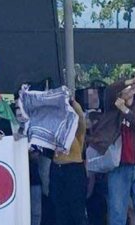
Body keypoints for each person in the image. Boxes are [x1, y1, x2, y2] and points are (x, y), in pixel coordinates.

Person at [101, 76, 135, 225]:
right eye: (123, 89)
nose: (126, 90)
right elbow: (109, 90)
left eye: (130, 87)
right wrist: (130, 81)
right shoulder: (112, 108)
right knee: (117, 210)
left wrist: (125, 110)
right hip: (119, 166)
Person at [49, 96, 87, 225]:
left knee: (77, 209)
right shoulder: (53, 130)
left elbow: (81, 117)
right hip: (56, 169)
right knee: (60, 208)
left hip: (74, 169)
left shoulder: (77, 131)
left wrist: (72, 102)